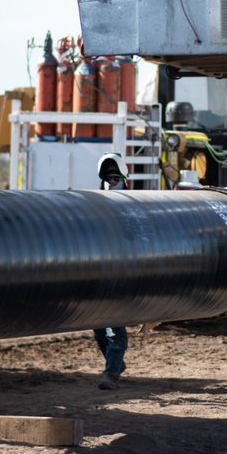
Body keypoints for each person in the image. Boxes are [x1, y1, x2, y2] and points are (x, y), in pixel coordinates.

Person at [95, 153, 130, 390]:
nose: (112, 182)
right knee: (99, 328)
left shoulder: (131, 204)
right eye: (108, 178)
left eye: (116, 177)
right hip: (99, 275)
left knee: (113, 326)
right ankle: (114, 362)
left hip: (120, 275)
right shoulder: (95, 203)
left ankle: (112, 373)